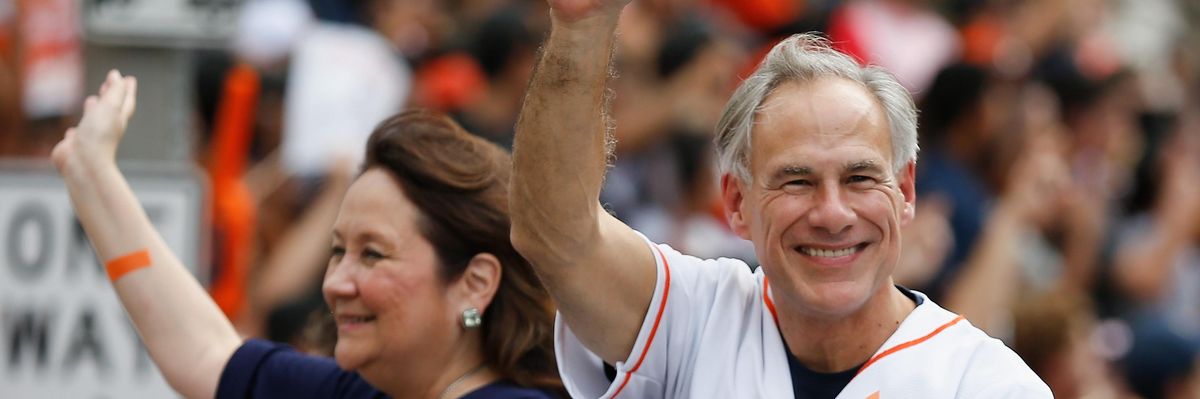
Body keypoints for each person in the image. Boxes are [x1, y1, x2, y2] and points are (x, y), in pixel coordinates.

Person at [508, 1, 1051, 397]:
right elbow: (556, 235)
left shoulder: (987, 385)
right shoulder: (694, 314)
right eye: (797, 181)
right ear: (737, 203)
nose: (833, 214)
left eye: (861, 178)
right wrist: (582, 26)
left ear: (905, 191)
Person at [52, 70, 562, 399]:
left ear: (474, 284)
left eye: (373, 254)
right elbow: (202, 353)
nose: (336, 283)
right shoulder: (361, 391)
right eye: (337, 251)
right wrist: (91, 173)